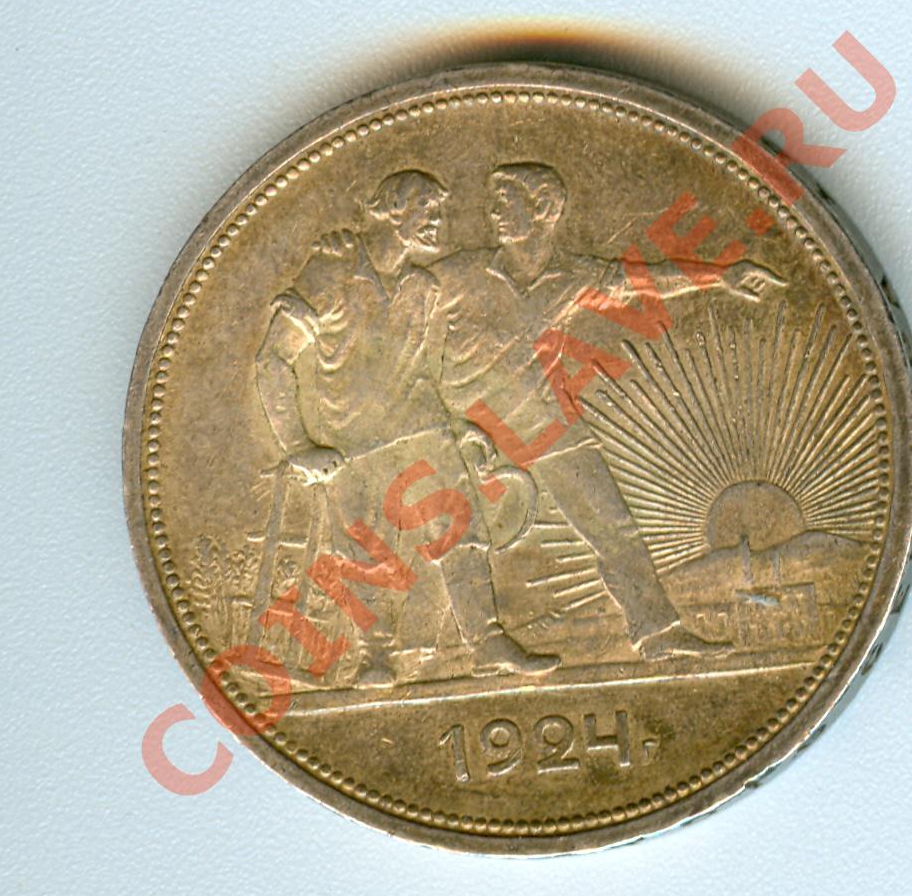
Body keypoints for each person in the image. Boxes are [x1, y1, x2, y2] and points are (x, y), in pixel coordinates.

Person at [255, 169, 557, 684]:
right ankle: (375, 655)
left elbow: (424, 373)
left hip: (425, 435)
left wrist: (458, 425)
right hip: (353, 446)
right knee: (366, 553)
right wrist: (299, 445)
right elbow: (272, 360)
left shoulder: (424, 288)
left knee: (461, 534)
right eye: (429, 211)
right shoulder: (332, 270)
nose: (440, 222)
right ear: (395, 210)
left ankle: (487, 642)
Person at [427, 163, 731, 660]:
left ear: (544, 211)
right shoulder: (455, 275)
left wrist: (722, 276)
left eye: (507, 203)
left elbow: (642, 283)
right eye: (493, 203)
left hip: (545, 421)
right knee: (458, 532)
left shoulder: (572, 275)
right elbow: (403, 335)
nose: (494, 214)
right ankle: (480, 644)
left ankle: (656, 630)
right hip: (469, 427)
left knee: (614, 525)